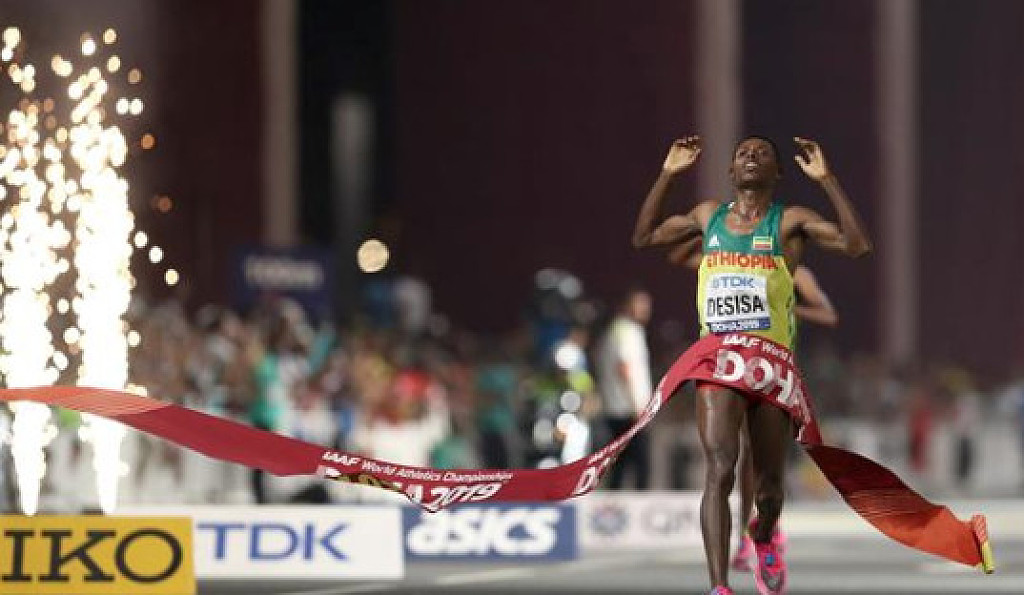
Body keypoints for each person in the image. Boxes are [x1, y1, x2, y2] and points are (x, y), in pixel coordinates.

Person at [632, 134, 871, 595]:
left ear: (777, 173)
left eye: (762, 153)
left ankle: (763, 535)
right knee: (720, 467)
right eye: (742, 152)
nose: (750, 156)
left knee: (769, 491)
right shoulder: (708, 216)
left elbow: (856, 245)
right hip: (718, 361)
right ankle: (719, 587)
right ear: (730, 171)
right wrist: (668, 174)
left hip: (770, 366)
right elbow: (644, 237)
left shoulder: (789, 222)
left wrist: (828, 180)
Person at [667, 234, 837, 571]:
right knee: (743, 455)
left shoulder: (795, 272)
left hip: (776, 370)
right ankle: (747, 537)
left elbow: (828, 315)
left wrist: (787, 303)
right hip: (736, 368)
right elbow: (679, 256)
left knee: (766, 462)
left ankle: (765, 527)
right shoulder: (731, 261)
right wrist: (706, 233)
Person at [596, 288, 654, 489]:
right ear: (628, 305)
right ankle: (641, 507)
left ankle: (616, 503)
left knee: (620, 466)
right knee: (641, 465)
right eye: (641, 304)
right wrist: (637, 406)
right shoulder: (627, 331)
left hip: (616, 408)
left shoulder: (614, 330)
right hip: (628, 410)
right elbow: (625, 368)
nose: (646, 309)